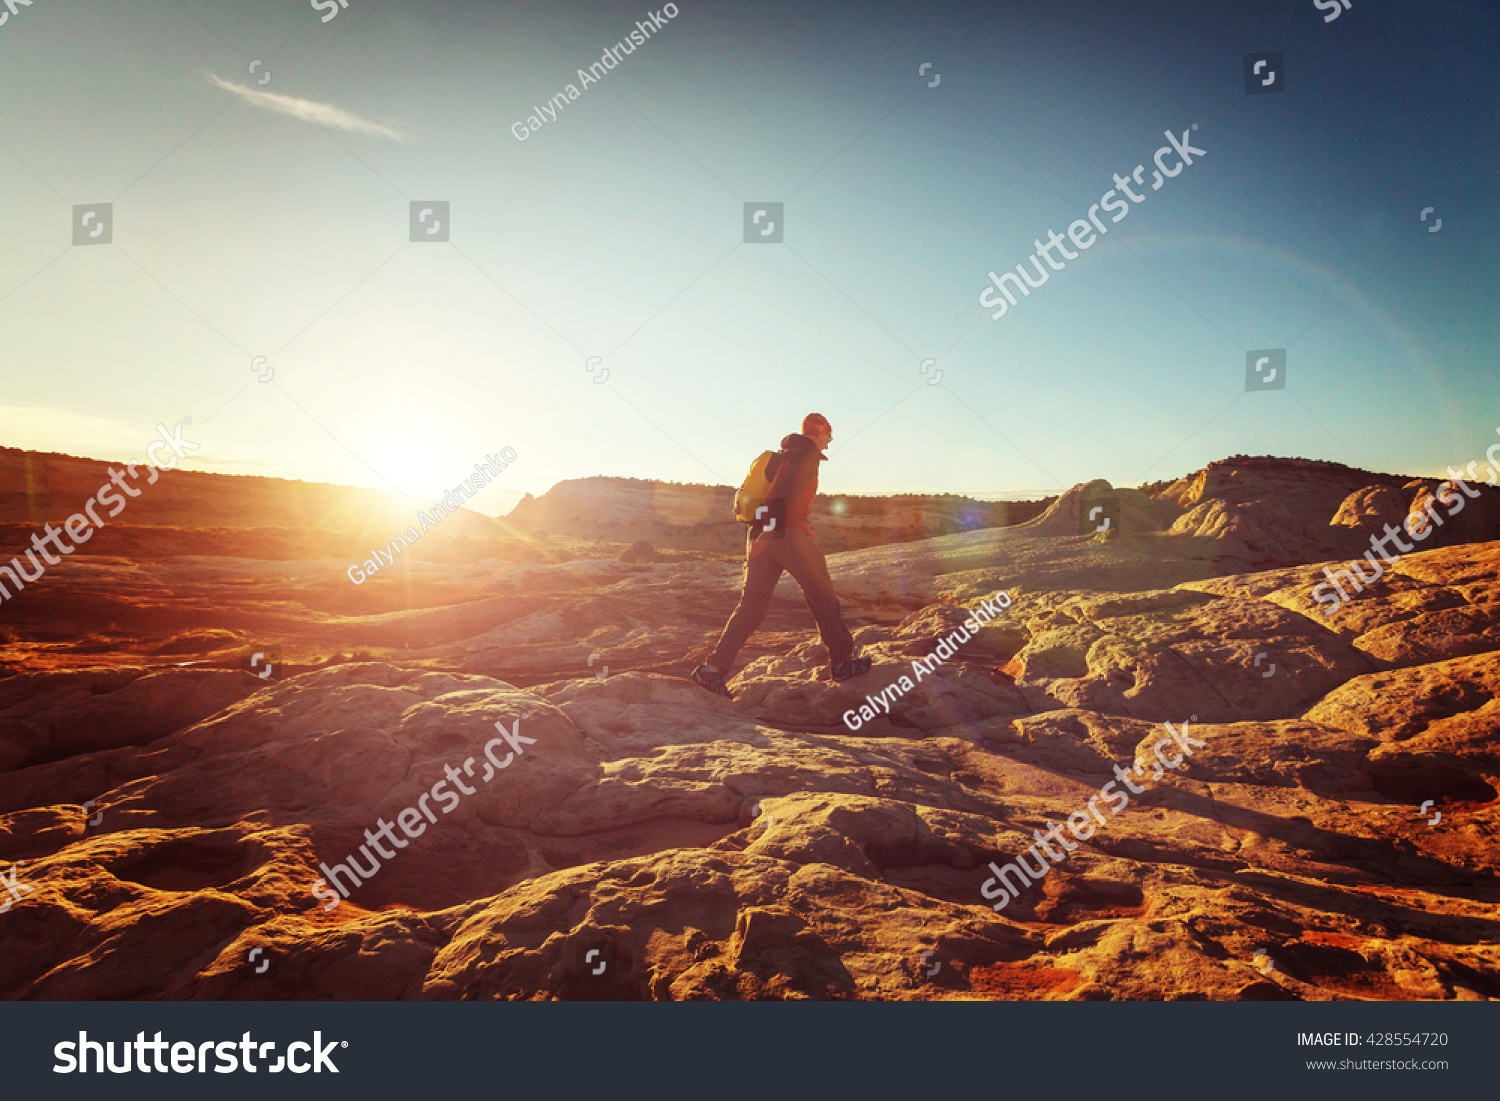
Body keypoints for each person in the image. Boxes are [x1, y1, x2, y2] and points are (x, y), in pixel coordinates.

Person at [692, 413, 872, 699]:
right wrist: (769, 533)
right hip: (787, 534)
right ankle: (842, 663)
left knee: (751, 606)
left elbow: (771, 496)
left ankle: (712, 670)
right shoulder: (806, 454)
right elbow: (782, 495)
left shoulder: (783, 455)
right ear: (818, 430)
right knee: (823, 596)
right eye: (829, 433)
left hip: (762, 532)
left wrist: (762, 533)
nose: (830, 440)